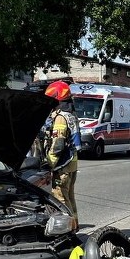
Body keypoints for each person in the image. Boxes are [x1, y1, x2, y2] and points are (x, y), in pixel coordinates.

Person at [43, 80, 80, 222]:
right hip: (72, 164)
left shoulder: (60, 118)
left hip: (62, 165)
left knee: (60, 198)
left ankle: (68, 227)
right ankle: (75, 223)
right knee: (69, 196)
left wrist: (49, 163)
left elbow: (58, 144)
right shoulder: (71, 114)